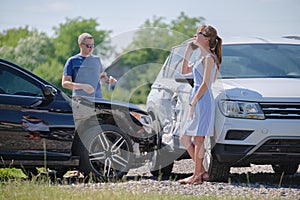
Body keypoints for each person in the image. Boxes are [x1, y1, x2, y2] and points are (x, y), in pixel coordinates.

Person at [178, 25, 222, 184]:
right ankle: (202, 171)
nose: (195, 35)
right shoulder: (199, 58)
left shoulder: (209, 58)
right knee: (184, 137)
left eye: (198, 33)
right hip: (196, 99)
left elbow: (204, 84)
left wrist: (193, 102)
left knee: (198, 139)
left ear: (207, 38)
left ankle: (196, 176)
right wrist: (188, 51)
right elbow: (183, 71)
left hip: (202, 100)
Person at [62, 32, 116, 99]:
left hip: (98, 100)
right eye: (89, 46)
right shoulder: (72, 61)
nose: (91, 48)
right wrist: (83, 86)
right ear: (80, 45)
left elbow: (102, 77)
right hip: (80, 101)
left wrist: (108, 80)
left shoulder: (97, 60)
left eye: (93, 46)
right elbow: (65, 83)